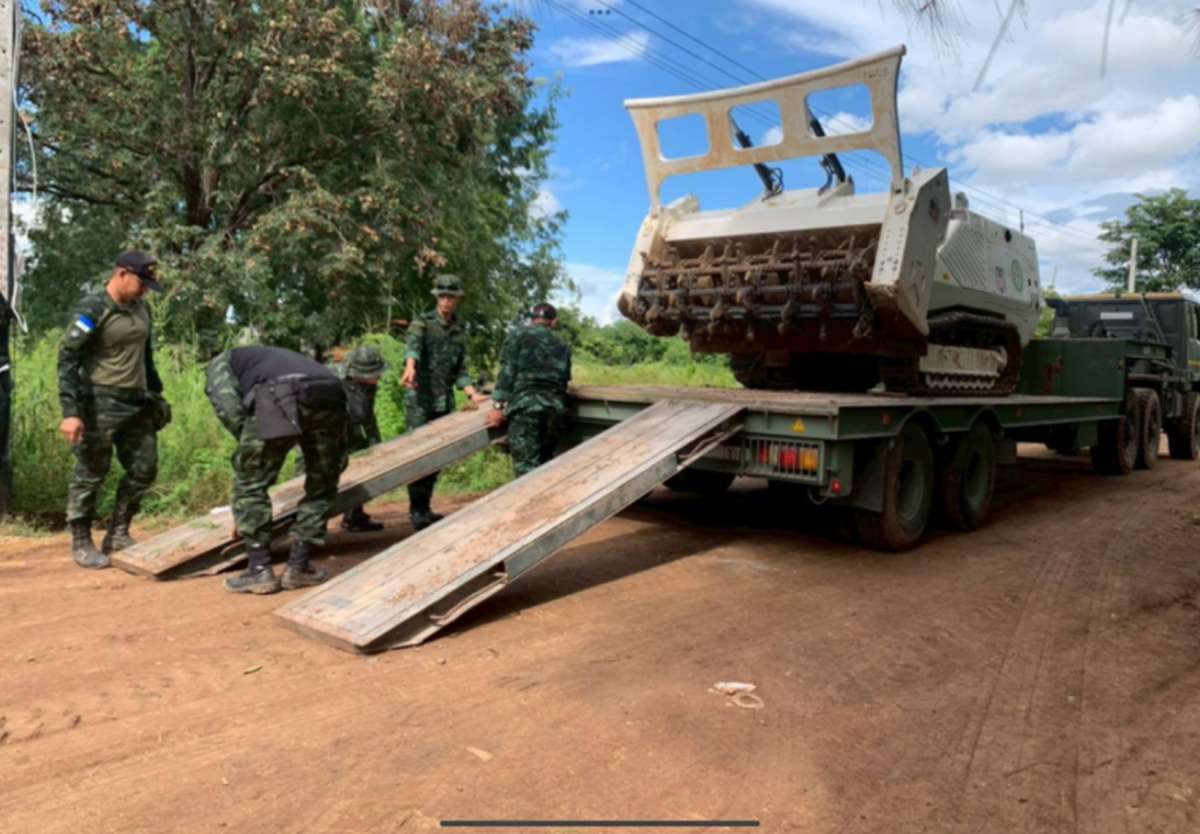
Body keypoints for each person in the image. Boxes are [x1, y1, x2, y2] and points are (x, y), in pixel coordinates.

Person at [58, 250, 171, 570]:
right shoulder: (93, 309)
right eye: (141, 282)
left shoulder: (142, 308)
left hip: (137, 402)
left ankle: (118, 533)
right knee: (91, 472)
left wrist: (157, 395)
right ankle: (81, 541)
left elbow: (145, 357)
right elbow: (67, 358)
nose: (145, 289)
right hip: (99, 401)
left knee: (144, 469)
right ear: (121, 274)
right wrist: (71, 411)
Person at [205, 346, 349, 594]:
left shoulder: (219, 364)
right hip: (331, 391)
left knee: (251, 482)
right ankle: (299, 567)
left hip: (281, 394)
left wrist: (247, 506)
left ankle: (259, 569)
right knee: (323, 482)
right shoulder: (272, 356)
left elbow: (231, 410)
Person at [401, 274, 488, 530]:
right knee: (418, 456)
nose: (447, 301)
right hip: (420, 399)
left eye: (451, 296)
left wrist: (472, 393)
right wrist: (410, 366)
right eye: (442, 296)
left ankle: (425, 508)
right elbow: (413, 347)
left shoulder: (459, 331)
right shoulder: (423, 323)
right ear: (437, 297)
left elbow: (461, 369)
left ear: (458, 299)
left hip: (443, 401)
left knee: (437, 457)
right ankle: (416, 511)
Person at [489, 303, 572, 476]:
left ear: (532, 319)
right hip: (553, 410)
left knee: (525, 468)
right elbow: (563, 380)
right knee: (545, 465)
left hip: (525, 408)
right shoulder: (562, 344)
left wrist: (497, 407)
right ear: (553, 322)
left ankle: (528, 503)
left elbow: (507, 371)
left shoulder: (518, 335)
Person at [336, 345, 387, 532]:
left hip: (353, 430)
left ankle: (354, 515)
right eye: (373, 374)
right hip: (329, 432)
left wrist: (376, 444)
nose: (378, 377)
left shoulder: (368, 385)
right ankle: (312, 525)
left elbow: (368, 416)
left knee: (364, 466)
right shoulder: (334, 383)